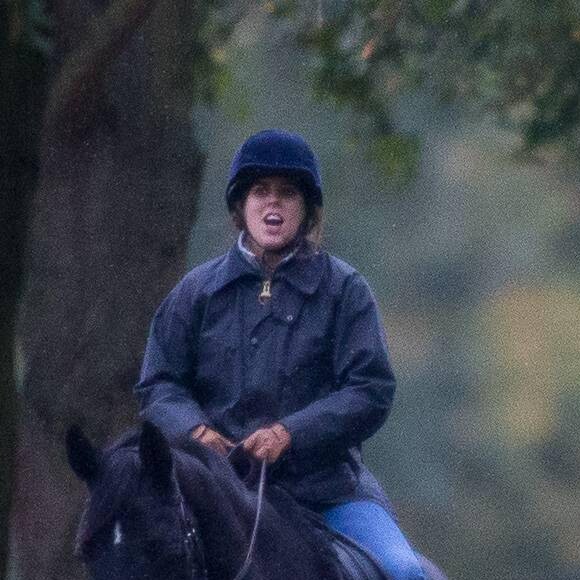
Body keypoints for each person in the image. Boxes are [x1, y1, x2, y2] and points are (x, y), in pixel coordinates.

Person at [135, 129, 426, 580]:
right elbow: (158, 384)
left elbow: (370, 390)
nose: (274, 204)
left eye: (288, 193)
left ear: (307, 208)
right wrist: (196, 431)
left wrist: (289, 433)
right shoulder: (194, 294)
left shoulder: (345, 290)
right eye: (261, 191)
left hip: (328, 492)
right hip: (219, 496)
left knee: (405, 571)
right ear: (241, 205)